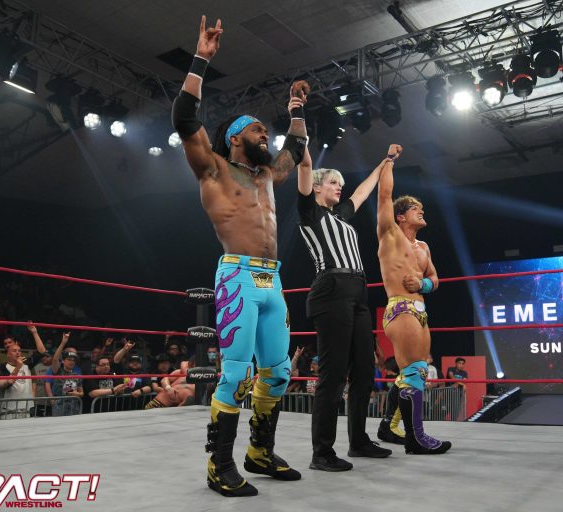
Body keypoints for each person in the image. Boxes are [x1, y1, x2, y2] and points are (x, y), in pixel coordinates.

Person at [173, 16, 308, 497]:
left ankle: (259, 452)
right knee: (235, 373)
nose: (264, 134)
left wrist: (295, 109)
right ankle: (219, 465)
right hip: (237, 278)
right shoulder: (213, 169)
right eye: (256, 129)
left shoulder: (267, 175)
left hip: (273, 281)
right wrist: (201, 60)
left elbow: (296, 147)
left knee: (279, 372)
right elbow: (184, 119)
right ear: (235, 137)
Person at [296, 146, 394, 470]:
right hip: (331, 288)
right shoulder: (310, 212)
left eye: (340, 184)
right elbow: (304, 168)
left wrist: (385, 162)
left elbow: (363, 191)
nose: (339, 187)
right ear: (317, 186)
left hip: (358, 291)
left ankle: (359, 441)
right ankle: (322, 453)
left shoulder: (340, 216)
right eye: (333, 183)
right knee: (333, 373)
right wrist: (300, 132)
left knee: (365, 369)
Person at [375, 144, 451, 455]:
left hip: (420, 310)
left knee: (415, 371)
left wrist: (423, 283)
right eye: (415, 209)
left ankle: (389, 426)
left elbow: (435, 279)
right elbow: (384, 196)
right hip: (401, 308)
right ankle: (415, 438)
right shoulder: (390, 235)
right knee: (413, 372)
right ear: (401, 216)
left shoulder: (424, 248)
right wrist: (389, 161)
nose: (422, 212)